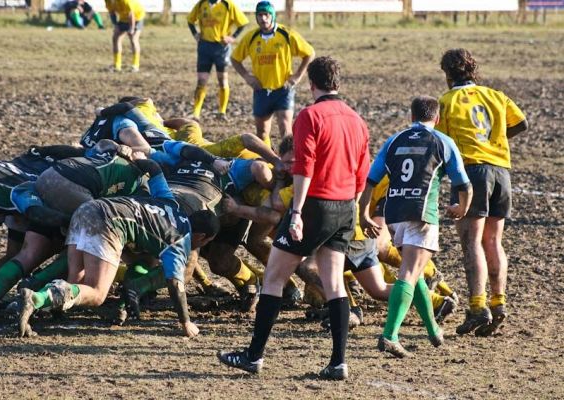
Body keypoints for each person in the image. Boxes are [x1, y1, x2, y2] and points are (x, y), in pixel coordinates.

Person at [218, 56, 370, 380]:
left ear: (311, 84)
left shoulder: (310, 116)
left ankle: (253, 356)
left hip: (315, 204)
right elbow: (362, 170)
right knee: (333, 283)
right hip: (345, 207)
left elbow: (305, 167)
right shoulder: (356, 119)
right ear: (337, 83)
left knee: (273, 278)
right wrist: (352, 206)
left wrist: (297, 211)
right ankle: (339, 362)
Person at [18, 159, 220, 338]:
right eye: (205, 243)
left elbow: (153, 168)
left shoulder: (170, 202)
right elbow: (176, 285)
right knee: (97, 294)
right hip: (108, 222)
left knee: (76, 282)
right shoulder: (179, 241)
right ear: (201, 236)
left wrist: (134, 156)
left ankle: (26, 305)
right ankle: (35, 298)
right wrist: (186, 322)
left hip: (89, 208)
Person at [359, 96, 472, 358]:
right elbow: (463, 183)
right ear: (437, 119)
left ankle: (432, 329)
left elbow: (370, 180)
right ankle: (390, 335)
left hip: (394, 213)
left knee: (416, 273)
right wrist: (462, 208)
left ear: (411, 117)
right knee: (409, 273)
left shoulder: (394, 140)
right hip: (421, 213)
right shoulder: (443, 141)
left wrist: (364, 212)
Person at [436, 49, 529, 337]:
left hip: (472, 171)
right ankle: (498, 302)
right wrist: (495, 142)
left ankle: (477, 307)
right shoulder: (496, 95)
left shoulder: (447, 101)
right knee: (493, 240)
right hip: (501, 171)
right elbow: (521, 123)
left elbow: (442, 143)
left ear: (448, 74)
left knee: (471, 241)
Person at [231, 1, 314, 144]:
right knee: (262, 132)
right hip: (261, 90)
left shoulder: (286, 35)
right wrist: (247, 77)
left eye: (266, 15)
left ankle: (288, 163)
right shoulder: (251, 37)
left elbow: (309, 53)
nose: (263, 18)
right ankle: (270, 162)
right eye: (260, 15)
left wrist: (297, 76)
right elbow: (235, 59)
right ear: (256, 17)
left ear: (272, 16)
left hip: (284, 89)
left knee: (285, 128)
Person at [187, 0, 249, 120]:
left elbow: (243, 23)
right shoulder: (201, 4)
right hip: (204, 47)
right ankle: (196, 113)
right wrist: (195, 33)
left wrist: (232, 37)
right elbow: (190, 20)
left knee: (222, 80)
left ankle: (222, 112)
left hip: (221, 47)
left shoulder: (228, 4)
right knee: (201, 81)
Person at [105, 0, 145, 72]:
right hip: (123, 18)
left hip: (137, 17)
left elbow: (131, 14)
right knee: (115, 38)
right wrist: (115, 25)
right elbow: (111, 12)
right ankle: (117, 65)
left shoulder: (125, 1)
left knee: (133, 38)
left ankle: (135, 65)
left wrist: (132, 28)